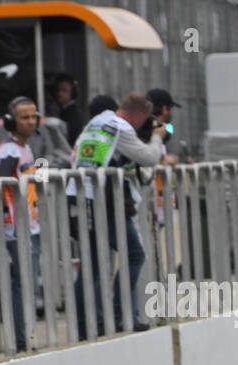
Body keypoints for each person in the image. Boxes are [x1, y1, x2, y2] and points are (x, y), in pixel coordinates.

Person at [70, 91, 168, 338]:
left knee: (91, 265)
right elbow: (149, 157)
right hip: (104, 200)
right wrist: (156, 137)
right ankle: (120, 315)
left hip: (86, 196)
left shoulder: (98, 121)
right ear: (140, 115)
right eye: (145, 120)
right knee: (135, 254)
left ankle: (90, 324)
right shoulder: (121, 126)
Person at [0, 96, 41, 352]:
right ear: (12, 121)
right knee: (24, 285)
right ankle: (21, 340)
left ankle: (24, 337)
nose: (31, 121)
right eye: (25, 117)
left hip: (29, 227)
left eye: (34, 116)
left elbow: (34, 176)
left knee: (28, 285)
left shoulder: (25, 149)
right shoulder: (10, 151)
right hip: (16, 230)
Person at [45, 74, 86, 145]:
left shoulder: (72, 114)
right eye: (58, 90)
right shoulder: (63, 111)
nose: (59, 94)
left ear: (72, 92)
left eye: (64, 90)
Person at [146, 88, 181, 164]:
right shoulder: (160, 130)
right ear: (165, 109)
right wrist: (163, 158)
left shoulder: (141, 127)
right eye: (171, 109)